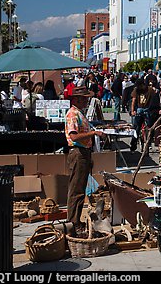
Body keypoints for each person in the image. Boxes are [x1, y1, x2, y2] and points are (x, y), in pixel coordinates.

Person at [64, 88, 106, 234]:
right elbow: (74, 136)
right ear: (76, 99)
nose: (86, 101)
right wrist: (93, 133)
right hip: (78, 152)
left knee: (80, 188)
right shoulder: (73, 114)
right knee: (76, 189)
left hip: (83, 152)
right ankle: (73, 222)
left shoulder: (78, 113)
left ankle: (75, 220)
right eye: (83, 99)